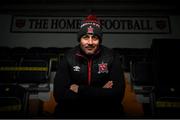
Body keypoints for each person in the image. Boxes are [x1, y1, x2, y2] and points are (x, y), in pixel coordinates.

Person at [53, 14, 125, 118]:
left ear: (99, 40)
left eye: (94, 37)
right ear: (79, 39)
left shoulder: (111, 56)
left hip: (104, 110)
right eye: (86, 37)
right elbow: (59, 95)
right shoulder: (68, 56)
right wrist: (101, 91)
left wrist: (80, 90)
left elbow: (118, 95)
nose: (90, 42)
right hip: (75, 110)